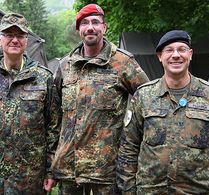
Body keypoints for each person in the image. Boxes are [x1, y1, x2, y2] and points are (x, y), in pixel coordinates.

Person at [51, 3, 149, 195]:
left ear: (104, 27)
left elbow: (148, 100)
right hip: (70, 169)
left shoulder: (123, 62)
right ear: (78, 29)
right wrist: (52, 161)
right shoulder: (65, 66)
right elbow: (55, 117)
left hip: (107, 170)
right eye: (85, 23)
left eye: (96, 22)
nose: (90, 27)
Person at [116, 30, 209, 194]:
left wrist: (198, 155)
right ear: (160, 56)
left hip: (195, 189)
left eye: (181, 49)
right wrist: (128, 189)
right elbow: (129, 146)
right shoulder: (143, 96)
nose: (176, 55)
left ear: (190, 54)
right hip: (151, 190)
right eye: (169, 50)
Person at [0, 13, 61, 194]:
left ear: (26, 41)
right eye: (9, 35)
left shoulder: (43, 78)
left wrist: (50, 170)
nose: (14, 40)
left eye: (20, 35)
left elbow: (53, 127)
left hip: (29, 179)